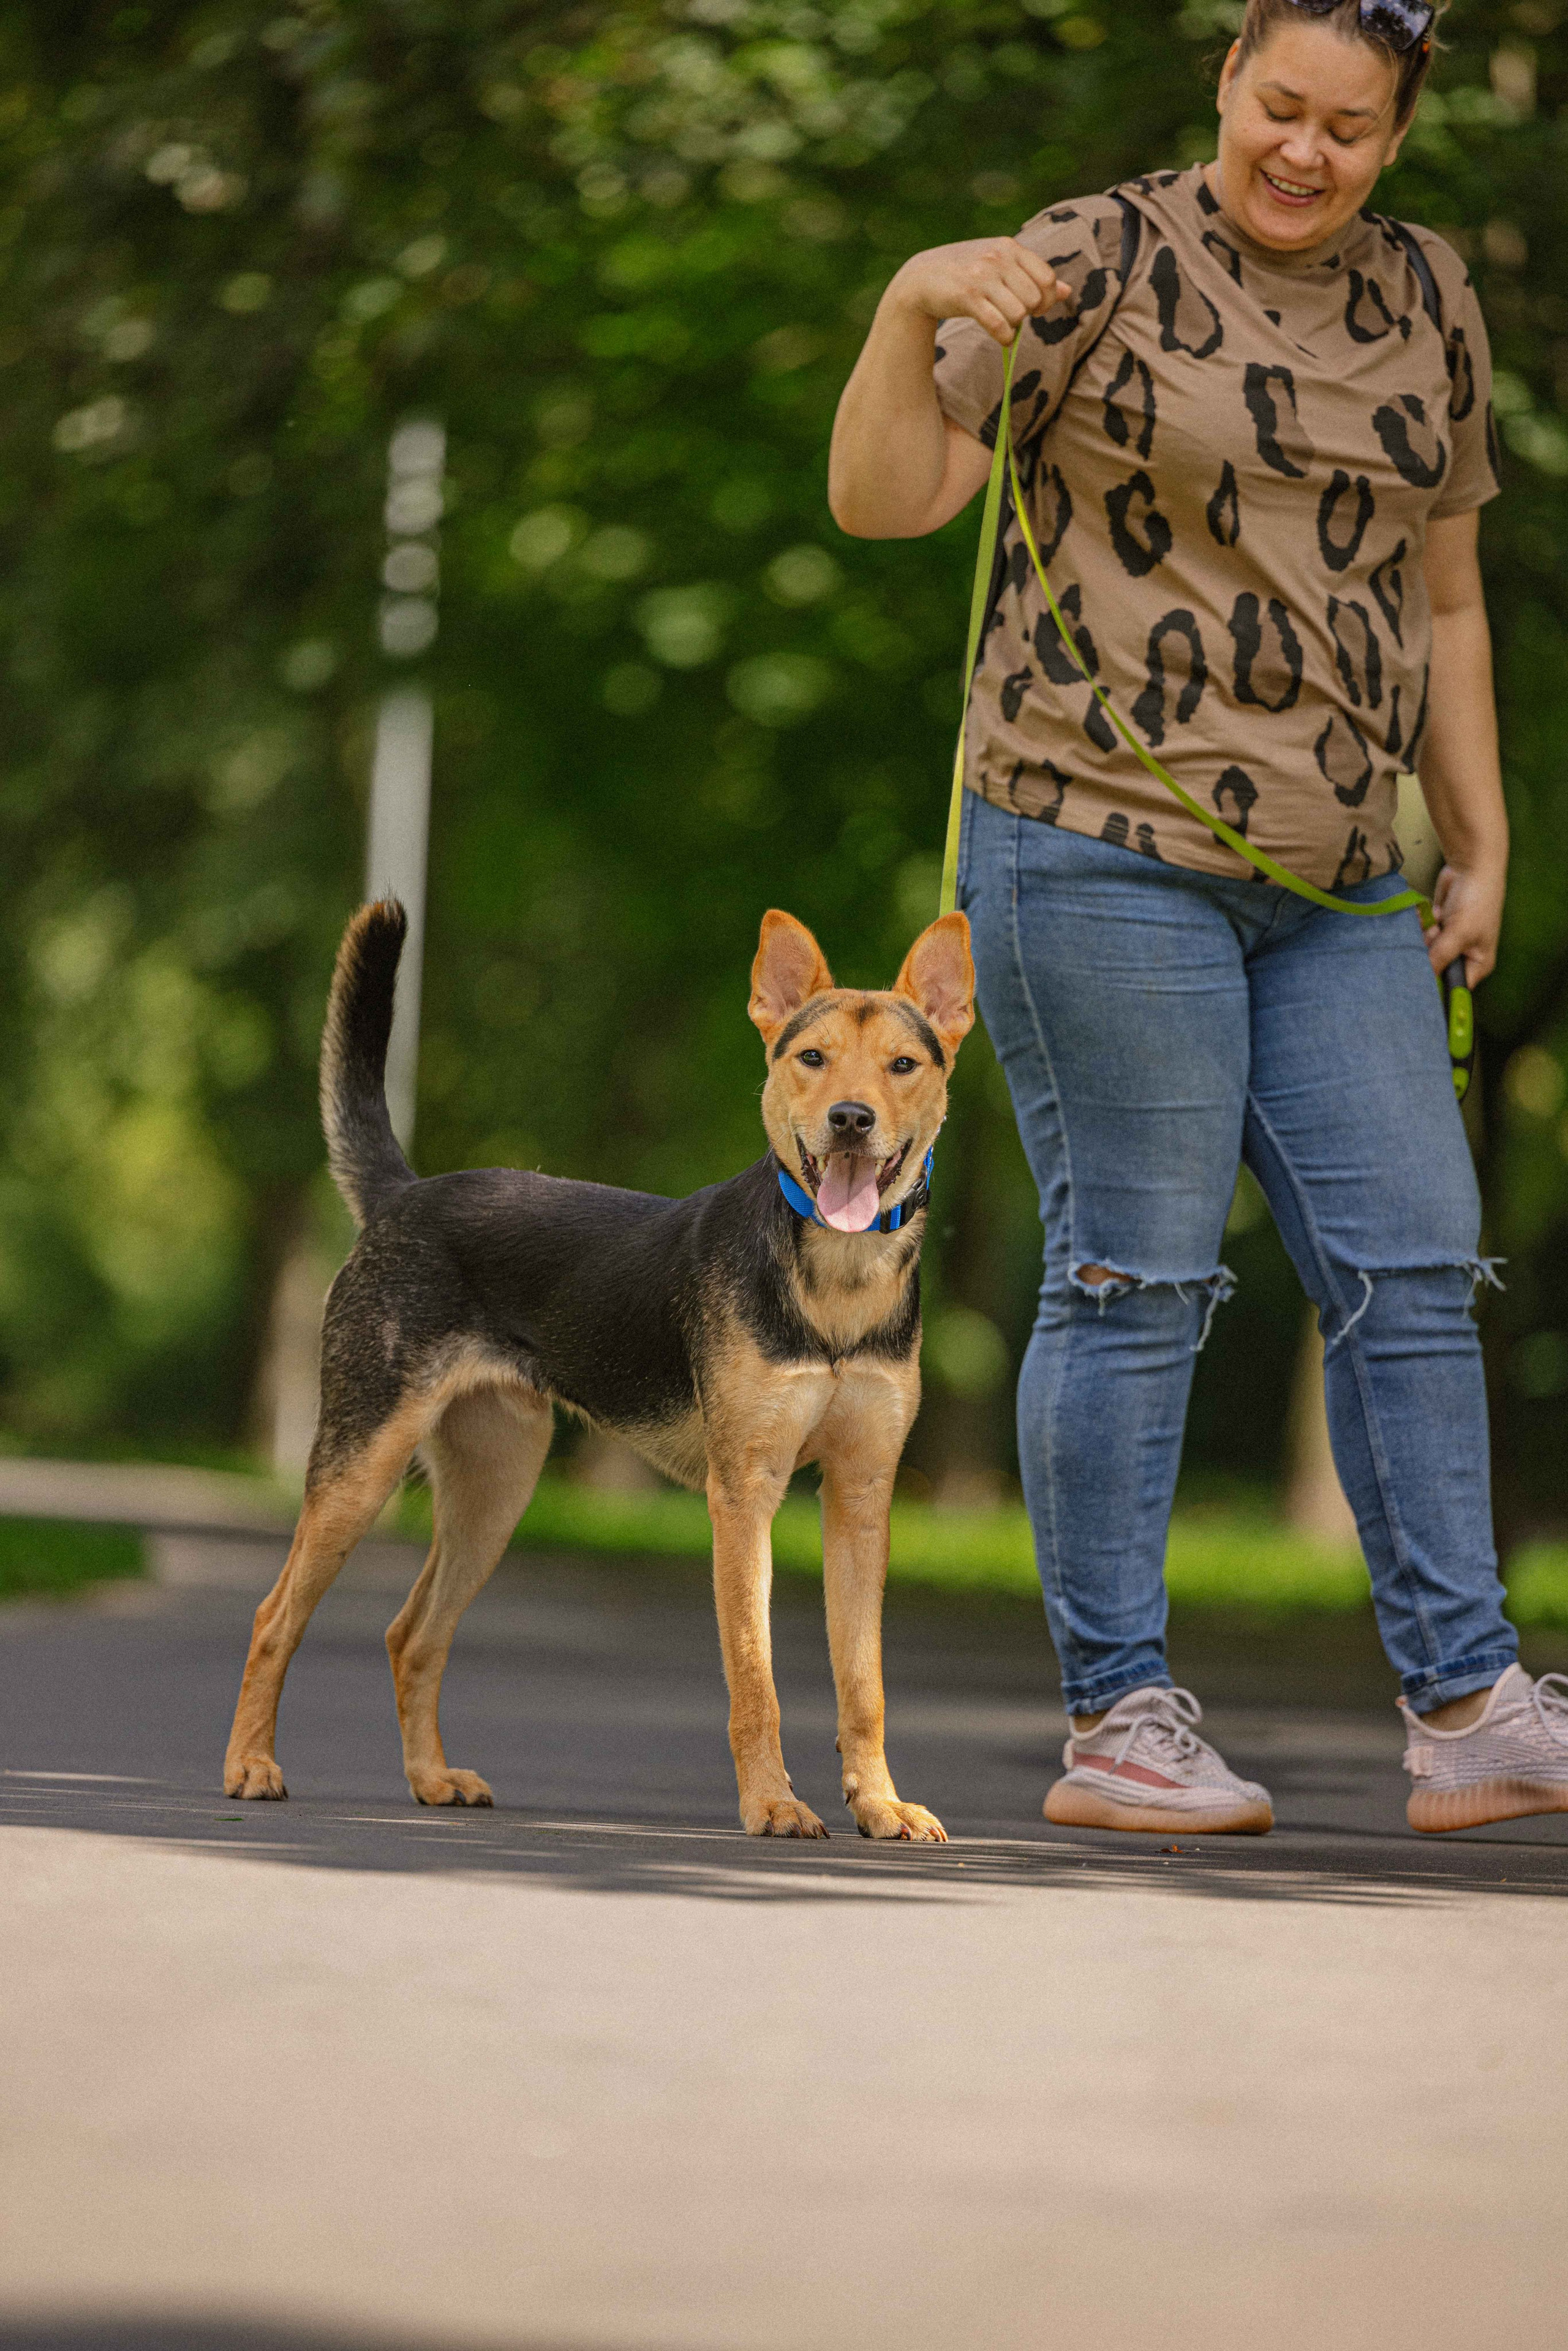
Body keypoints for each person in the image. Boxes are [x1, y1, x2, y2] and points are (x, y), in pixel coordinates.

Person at [829, 0, 1568, 1836]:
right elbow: (887, 501)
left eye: (1350, 126)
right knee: (1136, 1273)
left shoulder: (1432, 299)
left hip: (1340, 880)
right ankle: (1119, 1720)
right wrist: (912, 305)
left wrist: (1479, 835)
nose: (1306, 151)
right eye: (1280, 106)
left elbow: (1447, 594)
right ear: (1227, 82)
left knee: (1414, 1260)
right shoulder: (1092, 257)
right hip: (1093, 845)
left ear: (1398, 134)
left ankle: (1470, 1703)